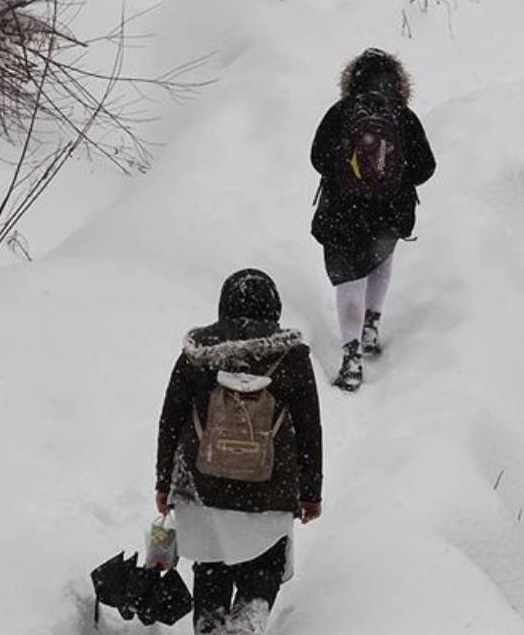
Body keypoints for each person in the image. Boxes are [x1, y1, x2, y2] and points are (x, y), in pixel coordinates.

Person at [154, 269, 323, 634]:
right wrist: (311, 493)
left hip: (202, 485)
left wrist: (164, 482)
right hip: (269, 490)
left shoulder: (198, 356)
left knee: (211, 562)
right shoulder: (292, 358)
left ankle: (210, 624)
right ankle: (248, 619)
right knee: (263, 565)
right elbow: (310, 430)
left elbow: (171, 419)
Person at [310, 47, 436, 391]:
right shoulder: (403, 117)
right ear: (397, 84)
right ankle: (371, 326)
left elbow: (318, 158)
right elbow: (426, 167)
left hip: (342, 213)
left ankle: (351, 356)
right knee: (380, 257)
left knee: (349, 278)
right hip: (388, 213)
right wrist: (393, 178)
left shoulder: (340, 112)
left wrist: (348, 174)